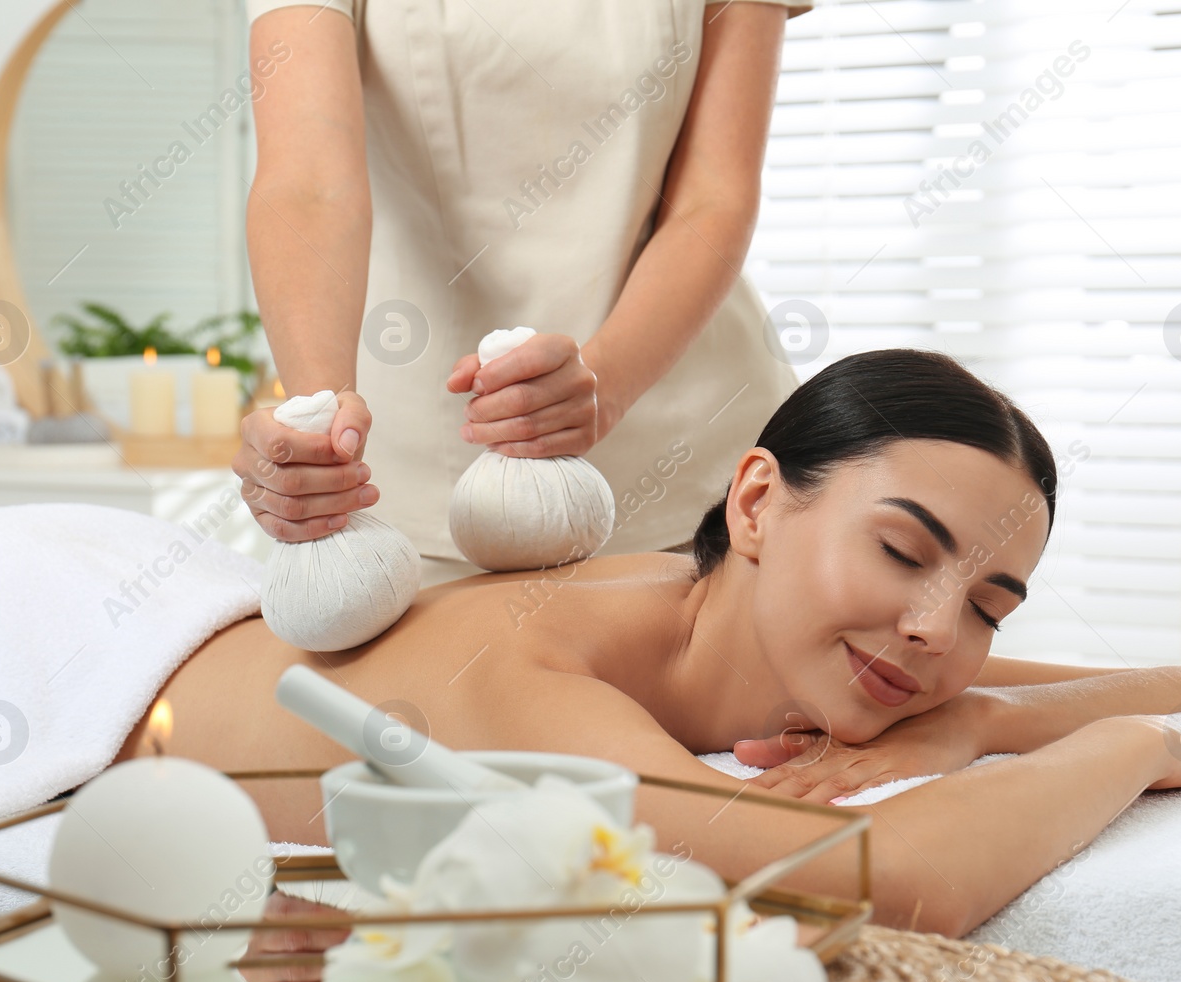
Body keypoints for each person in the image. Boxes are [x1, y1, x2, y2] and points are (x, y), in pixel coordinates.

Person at [129, 349, 1181, 940]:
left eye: (992, 605)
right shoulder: (539, 667)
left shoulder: (867, 646)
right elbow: (874, 885)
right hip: (81, 641)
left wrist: (979, 716)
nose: (940, 627)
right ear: (754, 503)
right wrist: (1130, 744)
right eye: (900, 549)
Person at [233, 0, 813, 584]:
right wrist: (319, 421)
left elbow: (715, 194)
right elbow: (309, 185)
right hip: (415, 481)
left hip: (692, 464)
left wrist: (606, 382)